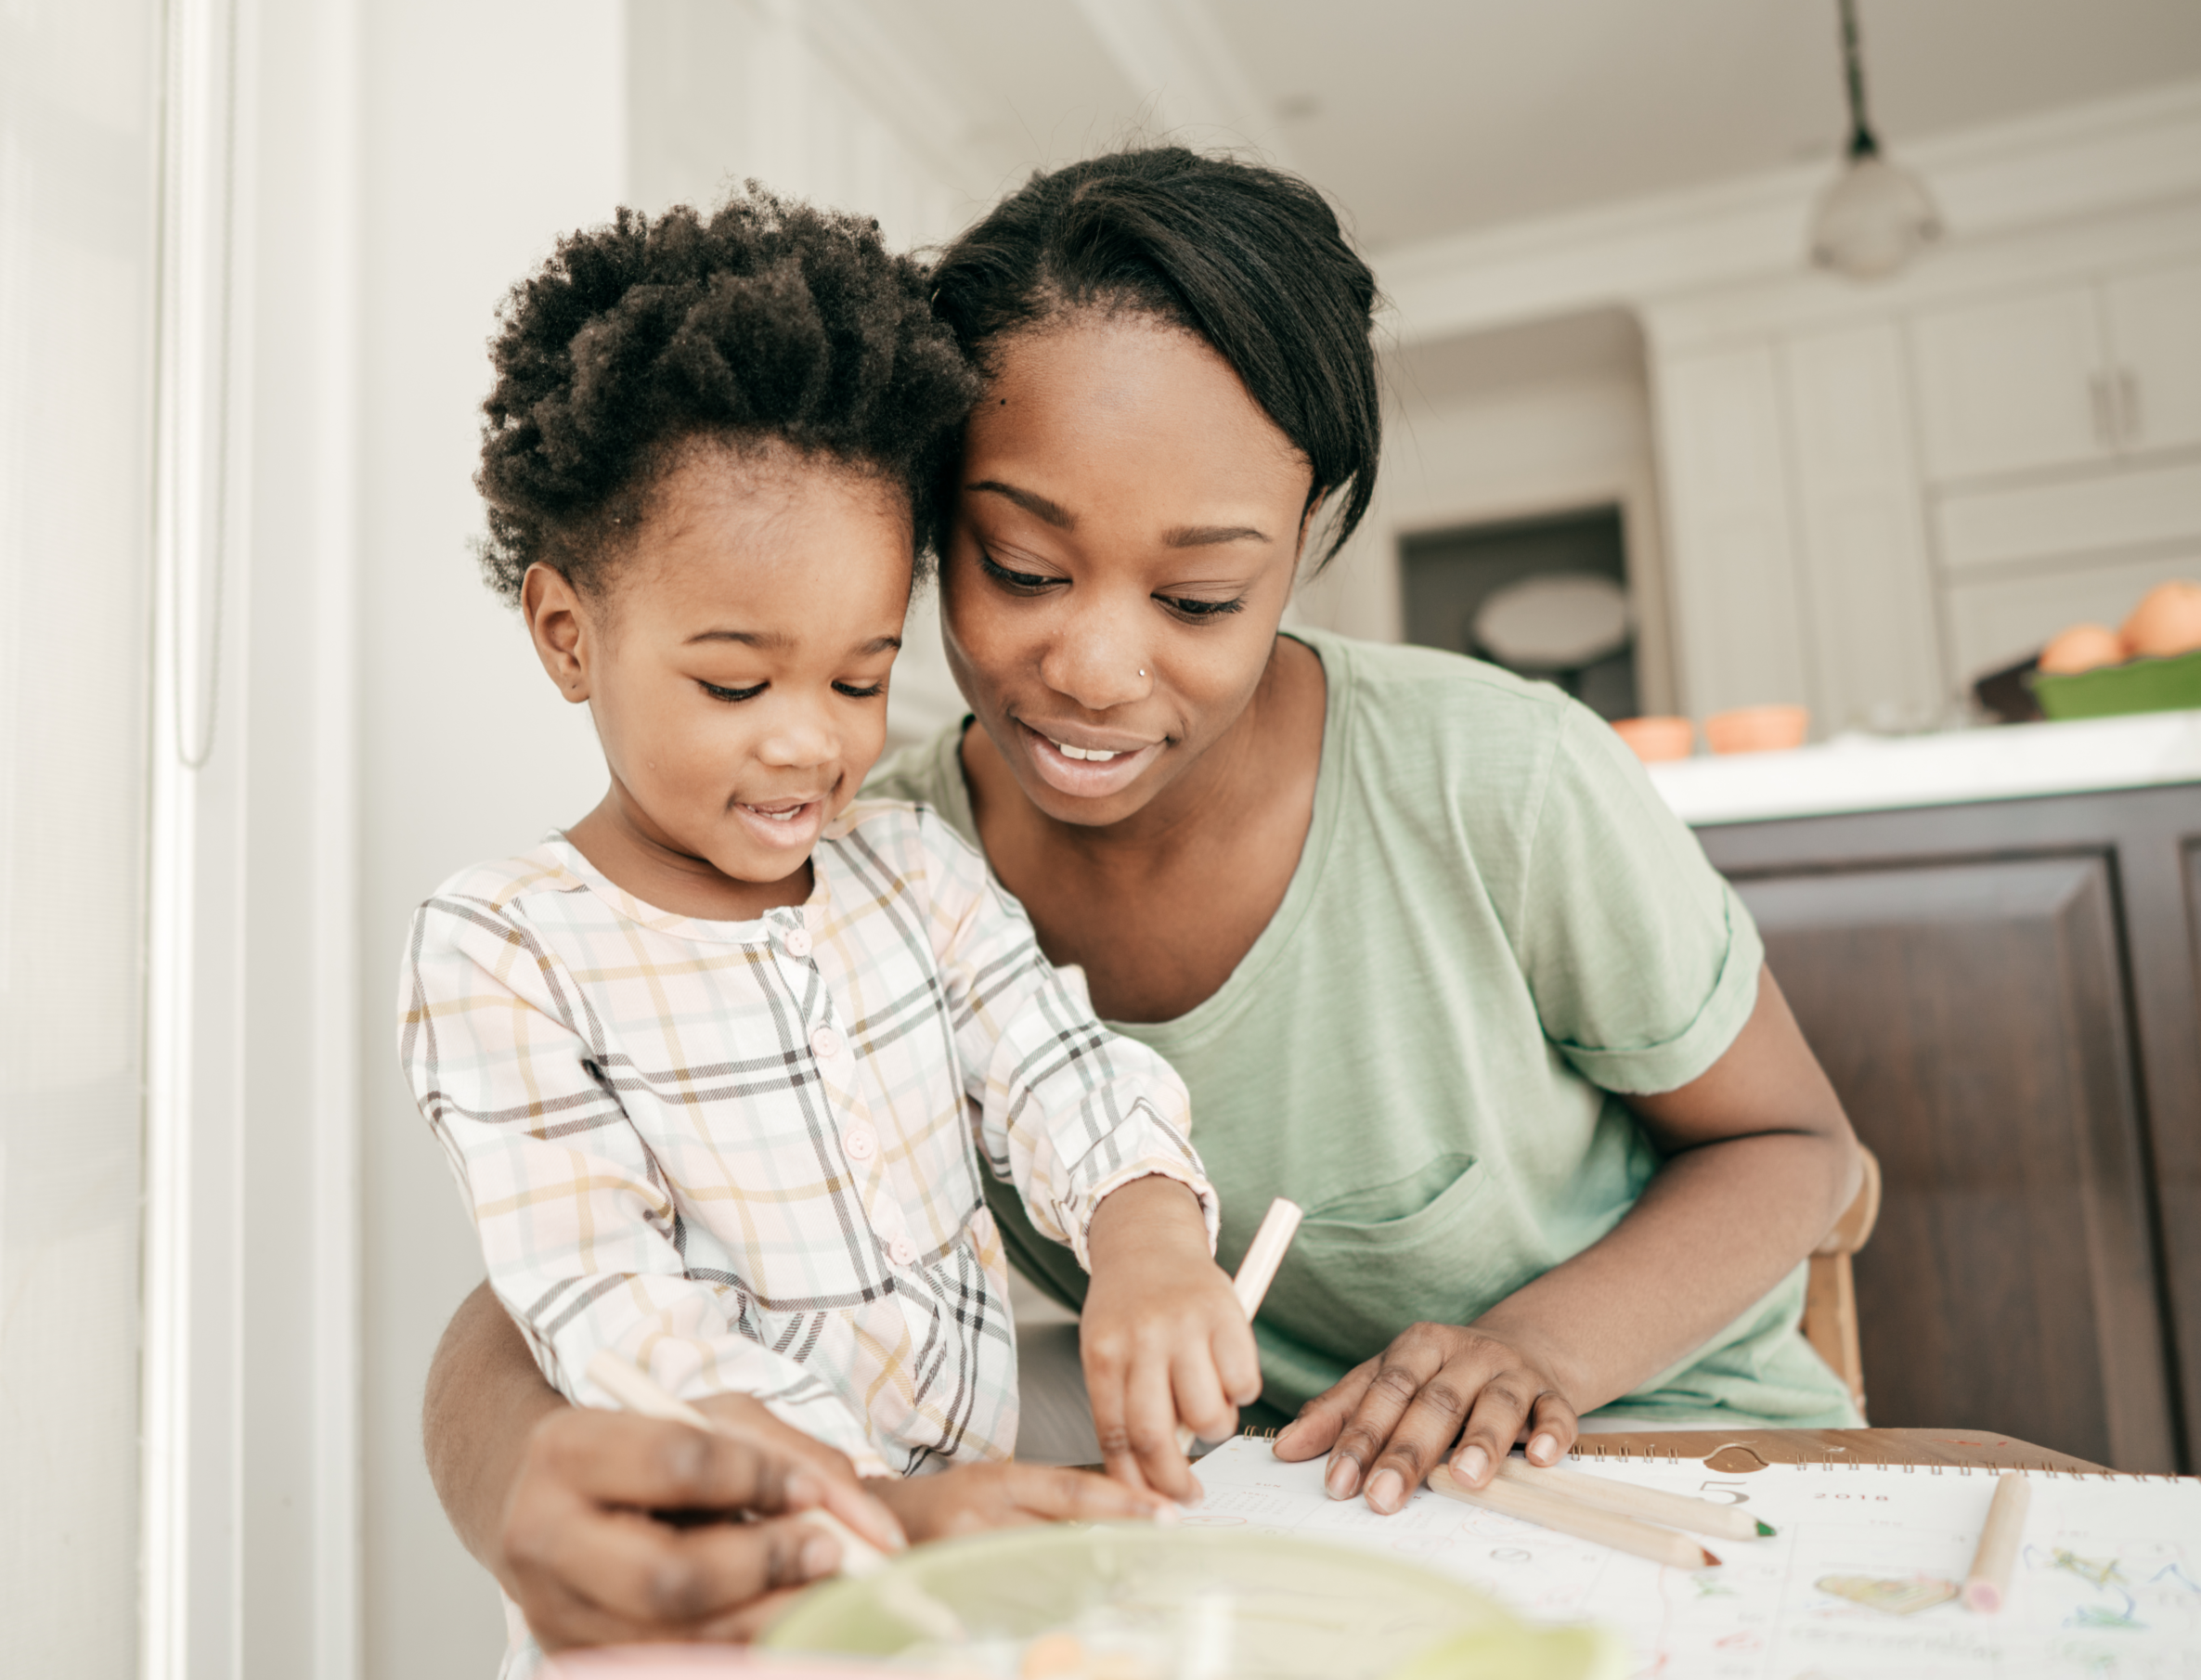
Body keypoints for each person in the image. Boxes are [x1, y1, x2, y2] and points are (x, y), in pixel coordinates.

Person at [421, 146, 1866, 1641]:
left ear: (1302, 546)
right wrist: (524, 1477)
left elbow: (1799, 1147)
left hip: (1671, 1452)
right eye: (1022, 565)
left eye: (1196, 598)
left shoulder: (1502, 784)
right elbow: (567, 1268)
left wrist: (1529, 1347)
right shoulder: (853, 857)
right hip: (1295, 1503)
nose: (1097, 672)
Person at [400, 187, 1260, 1668]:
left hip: (963, 1576)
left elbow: (1057, 1063)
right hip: (726, 1601)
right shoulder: (507, 947)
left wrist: (1147, 1235)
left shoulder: (911, 870)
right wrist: (860, 1508)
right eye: (738, 685)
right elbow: (604, 1305)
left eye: (859, 681)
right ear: (568, 634)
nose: (810, 746)